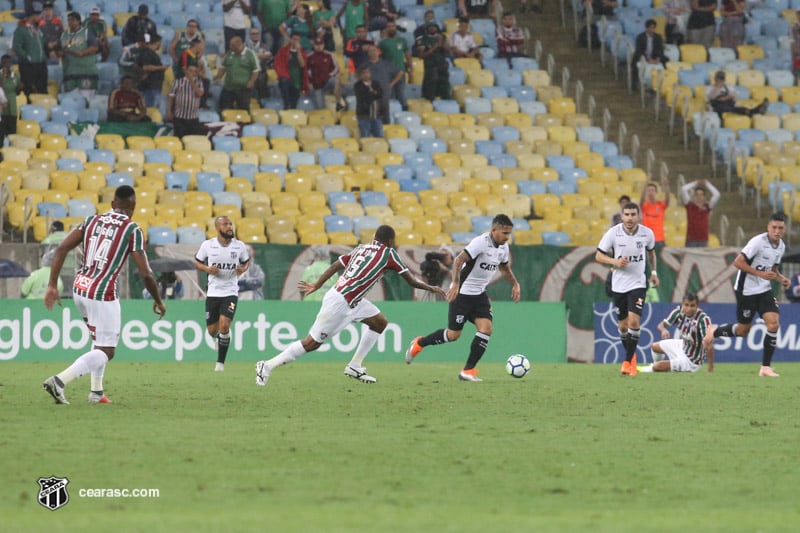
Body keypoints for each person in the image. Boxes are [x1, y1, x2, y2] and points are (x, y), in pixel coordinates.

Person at [255, 225, 445, 386]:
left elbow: (335, 265)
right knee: (311, 343)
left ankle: (355, 365)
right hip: (340, 302)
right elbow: (411, 281)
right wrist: (431, 287)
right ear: (389, 241)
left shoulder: (361, 248)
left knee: (379, 322)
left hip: (351, 299)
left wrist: (318, 284)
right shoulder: (389, 254)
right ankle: (267, 365)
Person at [42, 185, 167, 405]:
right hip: (102, 293)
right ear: (133, 206)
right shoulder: (132, 229)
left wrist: (52, 284)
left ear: (112, 204)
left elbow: (61, 248)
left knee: (99, 341)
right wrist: (157, 299)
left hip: (80, 288)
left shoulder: (91, 220)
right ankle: (59, 381)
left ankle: (96, 393)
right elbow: (146, 273)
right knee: (107, 350)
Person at [405, 214, 520, 382]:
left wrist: (515, 284)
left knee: (486, 328)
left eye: (509, 233)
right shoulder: (481, 242)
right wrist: (456, 284)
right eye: (504, 233)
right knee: (453, 335)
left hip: (479, 295)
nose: (506, 237)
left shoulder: (503, 248)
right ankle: (420, 343)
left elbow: (504, 269)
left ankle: (468, 371)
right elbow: (458, 260)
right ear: (494, 230)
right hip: (462, 294)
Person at [704, 213, 791, 378]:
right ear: (768, 228)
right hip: (746, 291)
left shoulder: (781, 246)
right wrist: (759, 273)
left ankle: (765, 367)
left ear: (784, 229)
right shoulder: (758, 242)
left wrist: (780, 279)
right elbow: (737, 262)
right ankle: (714, 332)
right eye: (774, 227)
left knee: (773, 325)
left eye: (780, 228)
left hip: (764, 290)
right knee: (744, 330)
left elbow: (772, 270)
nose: (777, 231)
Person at [595, 202, 659, 376]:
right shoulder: (613, 233)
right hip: (619, 285)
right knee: (623, 327)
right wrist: (614, 261)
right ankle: (632, 358)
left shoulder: (647, 234)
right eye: (627, 215)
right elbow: (598, 255)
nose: (630, 218)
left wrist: (653, 272)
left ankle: (626, 362)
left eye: (633, 215)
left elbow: (651, 253)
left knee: (634, 322)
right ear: (622, 216)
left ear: (638, 216)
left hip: (638, 283)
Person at [194, 216, 251, 372]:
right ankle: (220, 338)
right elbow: (197, 262)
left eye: (230, 224)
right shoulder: (208, 245)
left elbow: (246, 262)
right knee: (212, 331)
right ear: (217, 227)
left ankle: (220, 364)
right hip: (213, 292)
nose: (229, 227)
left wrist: (243, 269)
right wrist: (207, 269)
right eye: (225, 224)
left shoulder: (239, 246)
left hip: (230, 291)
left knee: (225, 324)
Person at [638, 292, 714, 373]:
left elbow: (708, 344)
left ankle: (651, 368)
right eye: (686, 305)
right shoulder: (678, 312)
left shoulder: (703, 319)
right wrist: (663, 330)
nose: (688, 309)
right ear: (682, 304)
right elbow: (661, 325)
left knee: (657, 366)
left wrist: (710, 368)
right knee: (654, 347)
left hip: (691, 361)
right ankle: (656, 367)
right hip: (682, 346)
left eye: (692, 305)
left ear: (697, 306)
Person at [59, 12, 99, 98]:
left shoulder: (86, 32)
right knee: (71, 100)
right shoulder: (64, 35)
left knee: (86, 100)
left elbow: (95, 47)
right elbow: (60, 50)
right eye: (69, 20)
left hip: (86, 72)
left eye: (73, 20)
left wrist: (82, 52)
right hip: (70, 72)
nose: (70, 22)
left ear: (79, 21)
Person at [12, 2, 48, 96]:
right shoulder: (21, 30)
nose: (41, 17)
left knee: (42, 89)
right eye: (39, 15)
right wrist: (27, 57)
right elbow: (16, 47)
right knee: (29, 90)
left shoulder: (38, 29)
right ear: (33, 15)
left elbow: (43, 42)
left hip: (41, 64)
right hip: (28, 65)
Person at [216, 35, 260, 112]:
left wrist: (251, 81)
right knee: (223, 108)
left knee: (243, 110)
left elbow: (256, 70)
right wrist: (218, 77)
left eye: (232, 45)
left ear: (239, 45)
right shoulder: (229, 53)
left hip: (243, 89)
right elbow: (223, 67)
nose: (230, 47)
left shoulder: (250, 54)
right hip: (228, 87)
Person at [365, 43, 402, 125]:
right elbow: (358, 76)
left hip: (384, 92)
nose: (373, 52)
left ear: (378, 52)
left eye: (374, 50)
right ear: (368, 53)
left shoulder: (386, 64)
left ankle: (385, 129)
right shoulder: (365, 65)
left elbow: (400, 72)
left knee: (384, 112)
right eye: (370, 51)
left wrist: (392, 84)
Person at [378, 19, 411, 111]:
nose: (391, 28)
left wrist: (410, 69)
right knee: (389, 94)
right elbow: (379, 58)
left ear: (396, 28)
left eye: (393, 26)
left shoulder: (402, 41)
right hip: (388, 73)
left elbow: (408, 56)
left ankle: (405, 110)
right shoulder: (382, 43)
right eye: (389, 27)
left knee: (400, 94)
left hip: (400, 71)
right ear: (386, 29)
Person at [415, 21, 450, 102]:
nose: (432, 28)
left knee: (444, 89)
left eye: (434, 26)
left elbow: (448, 51)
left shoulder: (442, 37)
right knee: (430, 92)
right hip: (430, 67)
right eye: (430, 26)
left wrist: (442, 42)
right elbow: (421, 55)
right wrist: (435, 46)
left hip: (442, 67)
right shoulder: (422, 39)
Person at [680, 178, 720, 247]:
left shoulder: (707, 206)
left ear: (704, 197)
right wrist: (695, 183)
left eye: (701, 195)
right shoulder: (689, 205)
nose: (699, 196)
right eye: (697, 194)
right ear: (694, 196)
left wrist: (707, 184)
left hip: (703, 239)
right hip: (691, 239)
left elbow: (717, 194)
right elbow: (683, 189)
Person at [167, 63, 204, 137]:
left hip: (193, 117)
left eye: (194, 71)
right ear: (185, 71)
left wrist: (191, 81)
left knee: (193, 140)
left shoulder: (199, 82)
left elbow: (200, 93)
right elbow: (171, 97)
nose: (192, 73)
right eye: (190, 71)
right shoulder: (178, 81)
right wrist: (169, 111)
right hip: (179, 117)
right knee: (179, 139)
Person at [274, 33, 308, 109]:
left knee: (294, 101)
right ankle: (286, 104)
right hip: (286, 77)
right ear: (290, 39)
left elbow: (303, 65)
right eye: (294, 39)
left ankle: (292, 108)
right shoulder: (283, 50)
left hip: (297, 79)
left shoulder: (302, 52)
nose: (295, 41)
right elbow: (278, 64)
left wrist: (298, 51)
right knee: (284, 81)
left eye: (297, 39)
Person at [306, 36, 341, 110]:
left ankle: (338, 103)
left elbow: (337, 68)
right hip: (317, 84)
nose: (319, 46)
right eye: (317, 45)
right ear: (314, 45)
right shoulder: (309, 57)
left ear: (323, 45)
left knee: (337, 80)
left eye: (320, 44)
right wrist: (311, 81)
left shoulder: (329, 55)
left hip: (328, 81)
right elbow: (306, 71)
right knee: (320, 107)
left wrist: (330, 75)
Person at [633, 19, 665, 90]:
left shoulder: (658, 37)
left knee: (666, 60)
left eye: (653, 28)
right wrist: (647, 59)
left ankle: (662, 82)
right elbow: (639, 50)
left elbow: (660, 49)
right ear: (646, 28)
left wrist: (658, 58)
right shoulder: (640, 37)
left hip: (654, 56)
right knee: (634, 62)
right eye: (650, 27)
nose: (651, 30)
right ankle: (635, 83)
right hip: (643, 56)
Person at [640, 178, 671, 248]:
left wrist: (666, 186)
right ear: (646, 193)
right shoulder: (644, 206)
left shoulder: (661, 205)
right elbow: (641, 199)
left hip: (659, 239)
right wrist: (646, 184)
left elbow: (668, 200)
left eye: (652, 190)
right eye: (649, 191)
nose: (651, 192)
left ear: (656, 193)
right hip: (647, 239)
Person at [354, 64, 383, 138]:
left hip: (377, 115)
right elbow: (364, 97)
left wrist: (371, 94)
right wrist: (373, 93)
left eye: (367, 72)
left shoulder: (376, 83)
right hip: (364, 115)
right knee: (365, 137)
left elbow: (380, 94)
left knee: (379, 137)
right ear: (360, 74)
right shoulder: (358, 85)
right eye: (363, 73)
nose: (366, 74)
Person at [245, 26, 273, 100]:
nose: (255, 35)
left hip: (261, 70)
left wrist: (257, 56)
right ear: (250, 35)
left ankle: (262, 101)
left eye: (257, 33)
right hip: (248, 71)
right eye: (253, 34)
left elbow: (268, 55)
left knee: (261, 78)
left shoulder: (264, 46)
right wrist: (258, 56)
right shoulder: (245, 46)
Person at [0, 55, 20, 139]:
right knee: (2, 130)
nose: (6, 65)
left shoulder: (15, 76)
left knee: (12, 131)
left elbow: (18, 89)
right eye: (4, 63)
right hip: (2, 109)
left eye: (8, 63)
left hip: (12, 107)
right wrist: (3, 77)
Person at [38, 0, 62, 65]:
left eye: (49, 9)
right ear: (43, 11)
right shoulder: (39, 23)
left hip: (57, 46)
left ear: (53, 10)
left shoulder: (58, 22)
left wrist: (56, 42)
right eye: (46, 10)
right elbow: (39, 38)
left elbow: (62, 36)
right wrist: (49, 47)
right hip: (44, 48)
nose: (48, 12)